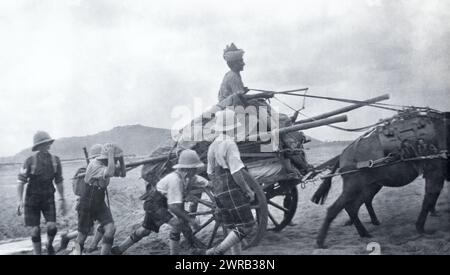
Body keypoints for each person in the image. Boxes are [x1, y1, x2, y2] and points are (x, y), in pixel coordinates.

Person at [112, 149, 208, 255]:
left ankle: (119, 249)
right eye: (194, 169)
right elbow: (173, 207)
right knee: (177, 224)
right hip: (154, 204)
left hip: (159, 204)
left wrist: (209, 184)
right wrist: (190, 220)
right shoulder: (175, 180)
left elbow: (198, 179)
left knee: (145, 230)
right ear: (187, 169)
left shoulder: (186, 177)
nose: (196, 171)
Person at [203, 109, 256, 255]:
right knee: (247, 226)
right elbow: (236, 172)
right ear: (232, 127)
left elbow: (209, 172)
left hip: (219, 191)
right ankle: (217, 251)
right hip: (231, 188)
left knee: (234, 227)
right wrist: (247, 190)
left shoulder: (212, 146)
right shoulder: (229, 144)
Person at [17, 131, 66, 255]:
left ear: (49, 144)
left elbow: (59, 181)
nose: (45, 146)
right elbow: (21, 182)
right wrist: (19, 201)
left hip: (48, 198)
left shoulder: (55, 161)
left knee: (52, 227)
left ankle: (49, 245)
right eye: (42, 144)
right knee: (35, 230)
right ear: (37, 147)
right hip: (31, 199)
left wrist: (62, 199)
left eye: (46, 143)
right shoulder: (30, 161)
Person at [74, 143, 126, 255]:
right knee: (82, 236)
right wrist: (112, 154)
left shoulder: (107, 164)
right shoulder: (95, 165)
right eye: (114, 159)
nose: (115, 162)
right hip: (87, 201)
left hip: (99, 201)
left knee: (110, 228)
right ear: (108, 158)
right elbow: (111, 172)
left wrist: (121, 158)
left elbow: (122, 174)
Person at [58, 144, 105, 253]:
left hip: (97, 204)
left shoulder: (102, 168)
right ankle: (75, 251)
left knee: (103, 226)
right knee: (83, 233)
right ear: (92, 159)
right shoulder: (84, 170)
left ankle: (91, 246)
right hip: (86, 205)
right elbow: (81, 191)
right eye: (97, 158)